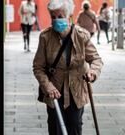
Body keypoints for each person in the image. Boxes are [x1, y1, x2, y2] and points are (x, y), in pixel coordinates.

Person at [33, 0, 103, 135]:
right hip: (55, 92)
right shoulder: (45, 37)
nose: (56, 20)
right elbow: (38, 67)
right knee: (55, 128)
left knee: (75, 127)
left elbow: (96, 59)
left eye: (60, 16)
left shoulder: (81, 36)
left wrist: (93, 72)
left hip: (76, 91)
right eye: (53, 17)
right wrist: (48, 86)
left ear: (69, 16)